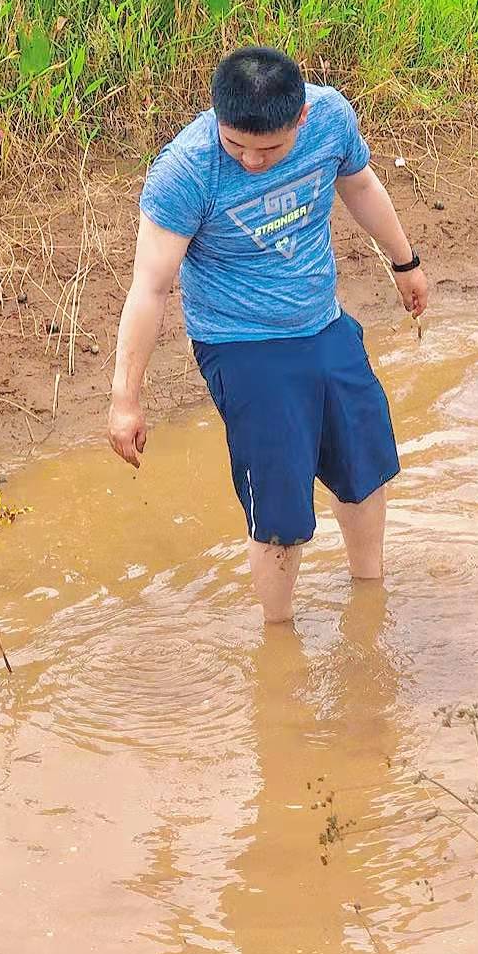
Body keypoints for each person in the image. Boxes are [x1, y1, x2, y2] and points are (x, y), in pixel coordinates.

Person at [107, 47, 428, 624]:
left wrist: (405, 264)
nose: (252, 161)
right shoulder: (186, 169)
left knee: (363, 466)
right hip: (241, 344)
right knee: (278, 510)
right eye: (237, 146)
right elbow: (150, 287)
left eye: (270, 149)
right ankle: (279, 639)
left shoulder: (330, 118)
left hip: (323, 323)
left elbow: (359, 187)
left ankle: (369, 599)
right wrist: (124, 398)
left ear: (300, 119)